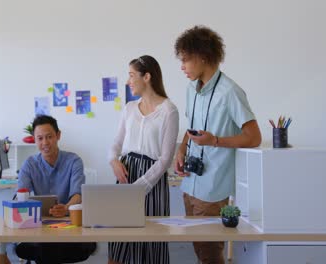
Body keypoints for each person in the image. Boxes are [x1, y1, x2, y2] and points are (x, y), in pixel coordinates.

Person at [174, 26, 262, 264]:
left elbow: (254, 137)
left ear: (203, 56)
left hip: (213, 188)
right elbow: (191, 128)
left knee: (210, 253)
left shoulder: (230, 92)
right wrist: (182, 149)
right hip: (190, 183)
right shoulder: (191, 89)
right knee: (200, 250)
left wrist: (215, 141)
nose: (182, 66)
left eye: (186, 60)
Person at [108, 55, 179, 264]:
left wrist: (140, 186)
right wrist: (114, 161)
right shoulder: (129, 108)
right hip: (126, 175)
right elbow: (116, 143)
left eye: (131, 75)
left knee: (151, 243)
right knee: (119, 243)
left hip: (152, 182)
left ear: (146, 76)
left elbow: (165, 159)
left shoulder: (169, 111)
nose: (128, 81)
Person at [15, 115, 96, 264]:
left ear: (58, 135)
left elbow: (78, 195)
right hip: (41, 227)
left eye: (49, 137)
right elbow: (21, 195)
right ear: (34, 139)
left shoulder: (74, 161)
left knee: (48, 250)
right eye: (40, 138)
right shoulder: (29, 164)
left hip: (70, 225)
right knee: (44, 247)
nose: (45, 143)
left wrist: (65, 208)